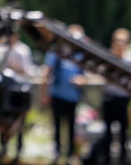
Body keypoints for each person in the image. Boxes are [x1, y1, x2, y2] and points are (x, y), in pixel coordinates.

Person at [43, 27, 86, 163]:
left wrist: (80, 81)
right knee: (57, 124)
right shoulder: (56, 52)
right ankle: (56, 150)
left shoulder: (80, 56)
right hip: (57, 94)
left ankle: (70, 153)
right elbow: (47, 72)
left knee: (72, 125)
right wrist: (44, 92)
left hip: (73, 96)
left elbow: (84, 75)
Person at [94, 28, 131, 164]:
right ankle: (106, 159)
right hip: (109, 98)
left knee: (123, 132)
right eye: (118, 41)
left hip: (123, 100)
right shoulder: (108, 58)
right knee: (107, 132)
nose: (120, 44)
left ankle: (123, 160)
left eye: (123, 41)